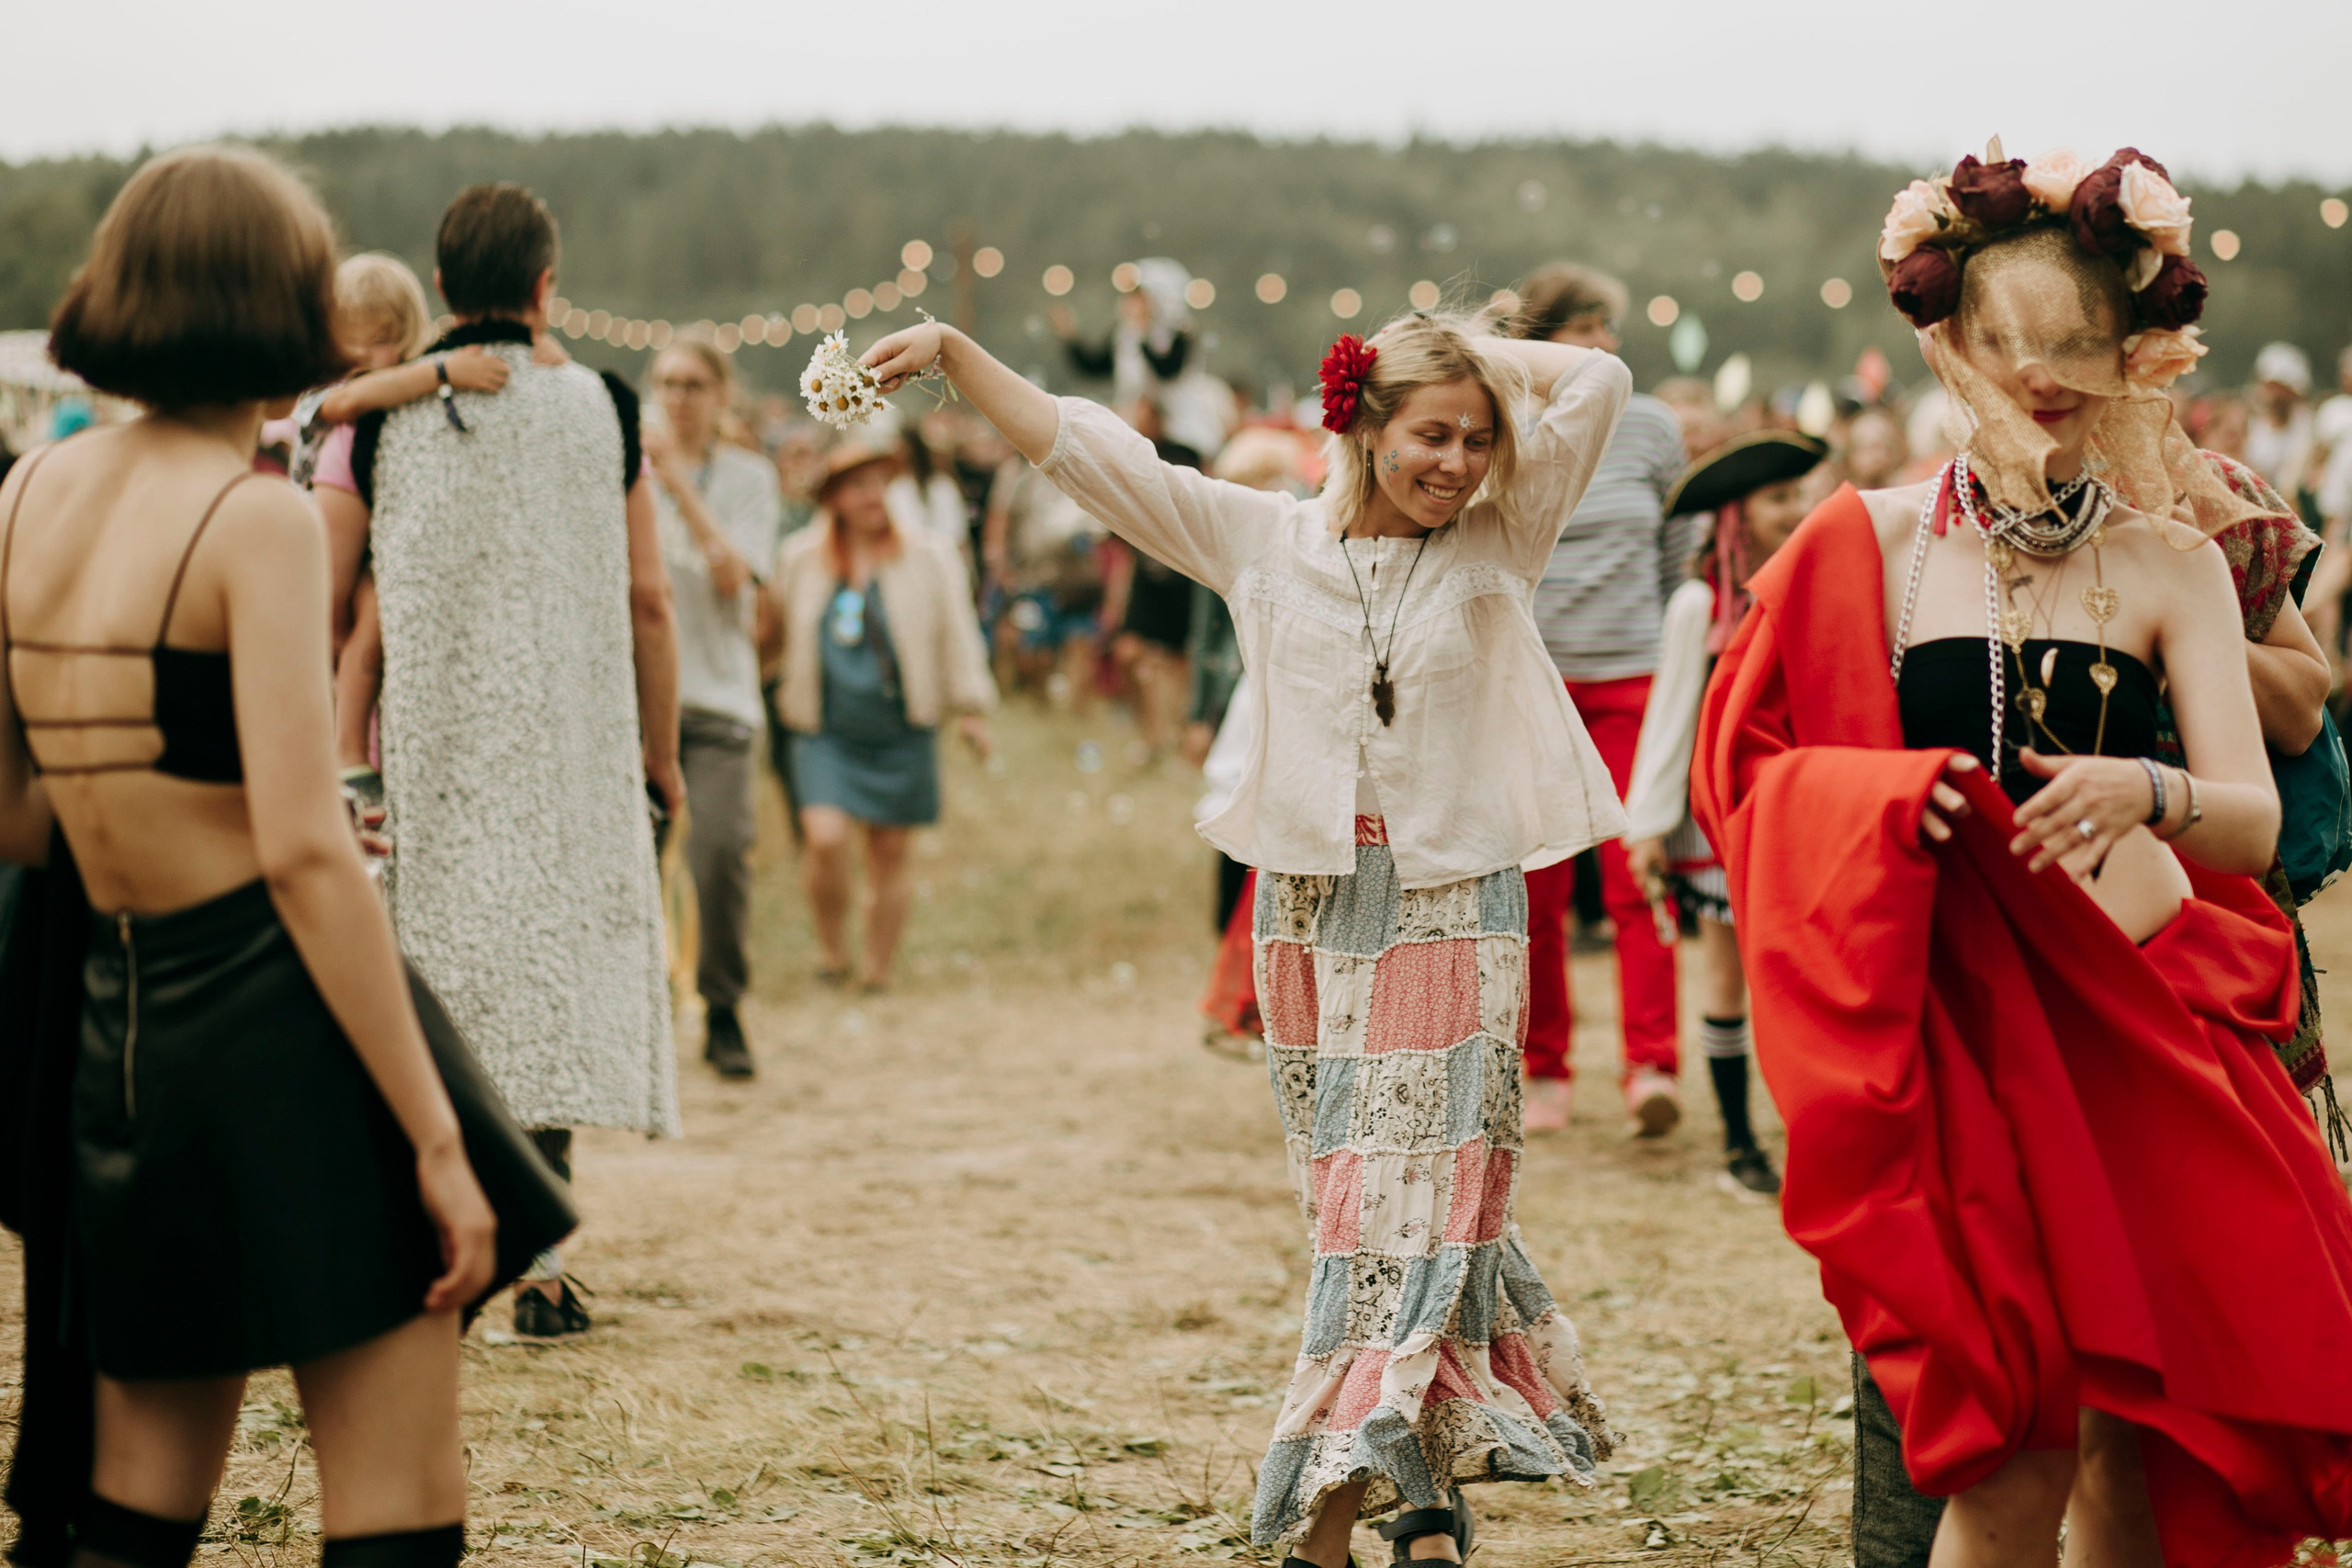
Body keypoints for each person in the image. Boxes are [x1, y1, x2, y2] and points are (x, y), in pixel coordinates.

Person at [856, 304, 1632, 1566]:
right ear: (1362, 423)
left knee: (1414, 1199)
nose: (1458, 462)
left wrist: (1466, 346)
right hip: (1311, 914)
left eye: (1480, 438)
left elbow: (1596, 376)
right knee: (1362, 1208)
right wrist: (953, 349)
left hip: (1454, 905)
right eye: (1432, 432)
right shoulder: (1264, 541)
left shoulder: (1504, 537)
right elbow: (1086, 451)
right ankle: (1424, 1496)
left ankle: (1329, 1514)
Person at [1694, 146, 2352, 1567]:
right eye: (2005, 343)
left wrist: (2149, 785)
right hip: (1953, 1040)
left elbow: (2245, 810)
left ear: (2131, 352)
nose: (2039, 372)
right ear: (1944, 343)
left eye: (2074, 344)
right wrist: (1875, 799)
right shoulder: (1860, 545)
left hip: (2147, 1025)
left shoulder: (2174, 559)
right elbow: (1743, 777)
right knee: (2009, 1440)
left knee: (2146, 1438)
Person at [0, 142, 538, 1568]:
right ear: (278, 304)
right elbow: (308, 855)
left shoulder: (23, 498)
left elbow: (14, 818)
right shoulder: (259, 518)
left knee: (131, 1511)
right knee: (395, 1511)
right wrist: (436, 1132)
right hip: (282, 1021)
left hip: (124, 1030)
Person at [311, 182, 682, 1339]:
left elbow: (321, 596)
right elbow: (649, 599)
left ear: (440, 286)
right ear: (542, 286)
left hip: (430, 749)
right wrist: (659, 754)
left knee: (444, 980)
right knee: (552, 984)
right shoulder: (605, 406)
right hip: (572, 746)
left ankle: (436, 1239)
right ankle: (548, 1259)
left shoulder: (379, 419)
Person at [1503, 264, 1695, 1135]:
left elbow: (1677, 557)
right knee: (1537, 888)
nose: (1605, 347)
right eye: (1586, 330)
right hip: (1534, 682)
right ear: (1539, 346)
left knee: (1637, 879)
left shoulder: (1652, 427)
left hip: (1634, 682)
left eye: (1610, 329)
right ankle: (1545, 1069)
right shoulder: (1506, 427)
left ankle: (1651, 1065)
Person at [1622, 432, 1826, 1196]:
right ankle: (1742, 1144)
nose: (1795, 511)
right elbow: (1670, 715)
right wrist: (1646, 825)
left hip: (1792, 807)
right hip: (1713, 819)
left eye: (1799, 497)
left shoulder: (1805, 586)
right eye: (1778, 500)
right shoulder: (1698, 603)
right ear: (1737, 517)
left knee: (1794, 976)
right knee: (1727, 976)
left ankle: (1802, 1127)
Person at [775, 435, 995, 990]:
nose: (873, 495)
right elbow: (775, 634)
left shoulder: (929, 555)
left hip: (901, 726)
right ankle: (832, 951)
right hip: (825, 728)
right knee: (824, 838)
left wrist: (970, 709)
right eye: (857, 485)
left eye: (880, 482)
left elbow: (956, 634)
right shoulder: (801, 558)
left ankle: (876, 967)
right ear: (834, 498)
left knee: (889, 850)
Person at [643, 338, 785, 1080]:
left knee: (722, 852)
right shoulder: (623, 471)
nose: (678, 397)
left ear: (720, 394)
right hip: (639, 703)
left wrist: (679, 487)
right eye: (666, 382)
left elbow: (738, 581)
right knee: (632, 864)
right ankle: (642, 1009)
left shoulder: (750, 478)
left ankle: (722, 1006)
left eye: (694, 384)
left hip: (722, 697)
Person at [2245, 341, 2316, 512]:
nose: (2274, 395)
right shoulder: (2251, 424)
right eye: (2270, 387)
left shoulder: (2310, 427)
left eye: (2280, 388)